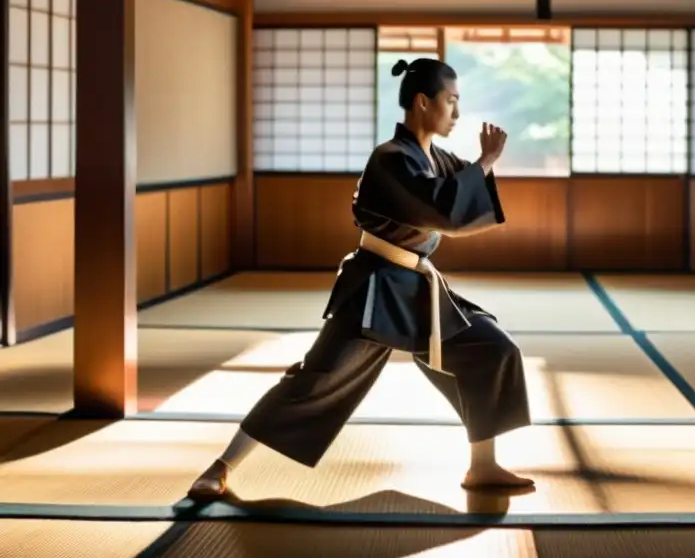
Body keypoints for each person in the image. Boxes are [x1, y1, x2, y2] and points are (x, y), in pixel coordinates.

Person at [186, 57, 534, 500]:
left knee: (492, 347)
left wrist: (481, 165)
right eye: (452, 101)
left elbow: (461, 196)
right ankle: (221, 466)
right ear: (424, 102)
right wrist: (485, 160)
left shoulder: (434, 157)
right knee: (315, 378)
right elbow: (443, 207)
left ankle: (482, 466)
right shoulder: (389, 159)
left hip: (417, 288)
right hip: (374, 288)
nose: (458, 113)